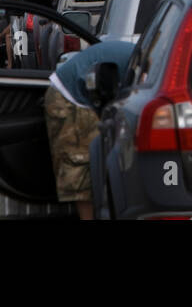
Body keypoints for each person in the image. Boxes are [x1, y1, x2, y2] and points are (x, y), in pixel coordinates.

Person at [44, 38, 136, 220]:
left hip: (84, 94)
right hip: (70, 97)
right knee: (82, 173)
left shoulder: (147, 52)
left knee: (99, 169)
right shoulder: (149, 62)